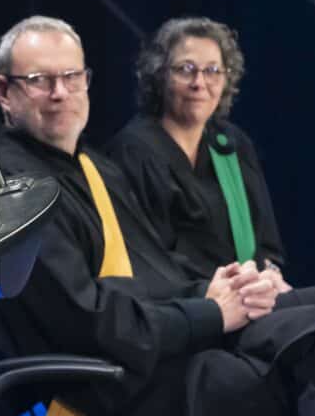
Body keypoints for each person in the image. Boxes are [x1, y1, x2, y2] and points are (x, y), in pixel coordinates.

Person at [0, 15, 315, 416]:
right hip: (103, 387)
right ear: (4, 92)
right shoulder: (19, 190)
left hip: (156, 341)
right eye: (39, 81)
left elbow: (153, 270)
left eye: (71, 77)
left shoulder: (93, 166)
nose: (60, 93)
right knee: (288, 369)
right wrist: (210, 312)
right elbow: (91, 324)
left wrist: (218, 289)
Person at [106, 17, 288, 284]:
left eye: (212, 70)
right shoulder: (133, 152)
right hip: (182, 301)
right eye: (186, 69)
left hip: (248, 292)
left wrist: (271, 275)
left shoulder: (231, 144)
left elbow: (265, 245)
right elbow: (148, 258)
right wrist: (225, 290)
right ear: (160, 75)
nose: (199, 83)